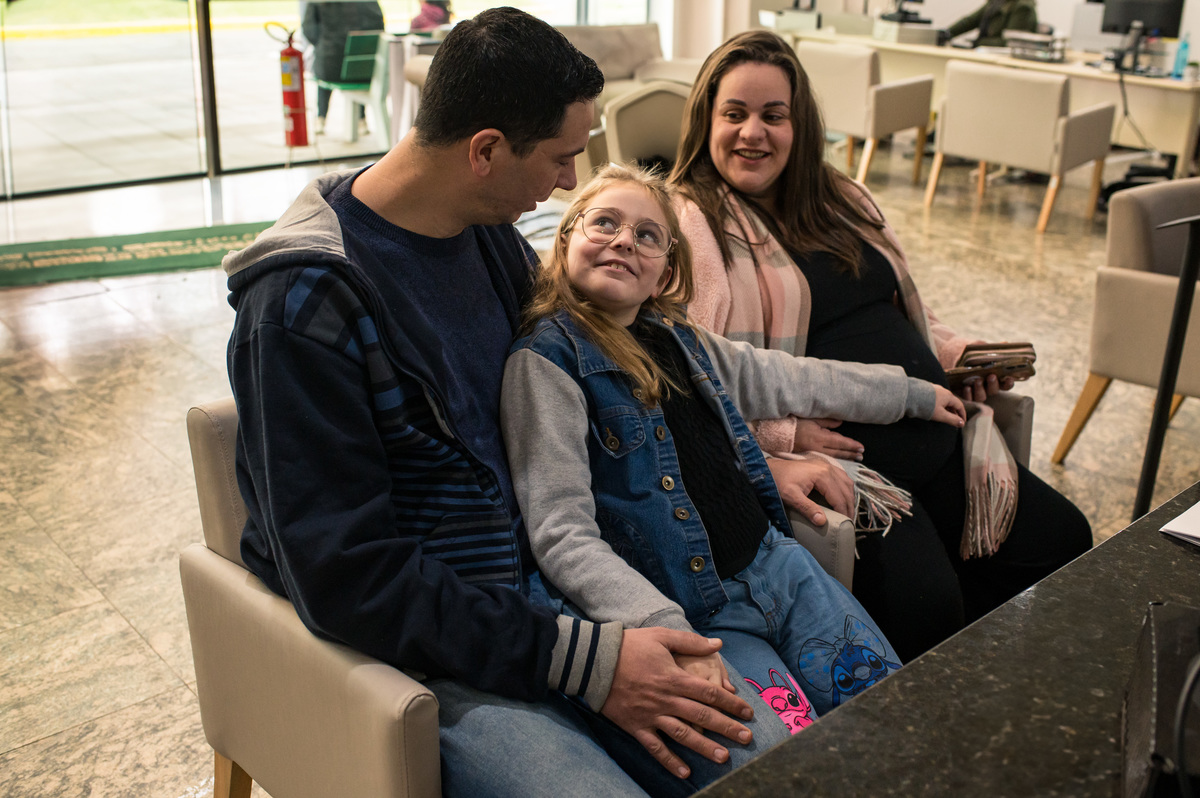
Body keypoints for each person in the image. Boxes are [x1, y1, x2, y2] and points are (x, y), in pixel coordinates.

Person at [225, 9, 792, 798]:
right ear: (485, 150)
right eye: (561, 159)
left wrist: (747, 466)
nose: (569, 181)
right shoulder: (302, 306)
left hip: (562, 590)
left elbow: (602, 376)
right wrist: (587, 663)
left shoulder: (483, 231)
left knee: (773, 762)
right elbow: (348, 577)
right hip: (443, 650)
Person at [668, 30, 1092, 663]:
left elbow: (905, 309)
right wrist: (782, 438)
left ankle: (977, 680)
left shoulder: (841, 198)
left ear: (799, 125)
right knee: (925, 602)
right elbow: (687, 371)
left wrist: (952, 353)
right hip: (858, 468)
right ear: (706, 122)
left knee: (1061, 538)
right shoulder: (692, 221)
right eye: (734, 114)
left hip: (934, 425)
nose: (752, 132)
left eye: (773, 116)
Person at [500, 164, 969, 728]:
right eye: (604, 223)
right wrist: (664, 628)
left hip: (783, 572)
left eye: (647, 235)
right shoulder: (546, 363)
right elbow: (561, 532)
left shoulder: (679, 338)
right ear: (568, 235)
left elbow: (791, 378)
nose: (624, 240)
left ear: (665, 269)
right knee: (787, 748)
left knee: (886, 718)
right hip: (701, 618)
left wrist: (910, 393)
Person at [301, 1, 385, 135]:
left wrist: (323, 43)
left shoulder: (318, 2)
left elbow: (309, 30)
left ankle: (321, 117)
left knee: (325, 65)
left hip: (330, 68)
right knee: (356, 66)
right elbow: (378, 26)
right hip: (361, 69)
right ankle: (362, 119)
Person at [939, 0, 1038, 47]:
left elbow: (1011, 43)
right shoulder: (997, 2)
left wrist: (977, 43)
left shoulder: (1023, 7)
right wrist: (944, 34)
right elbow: (969, 21)